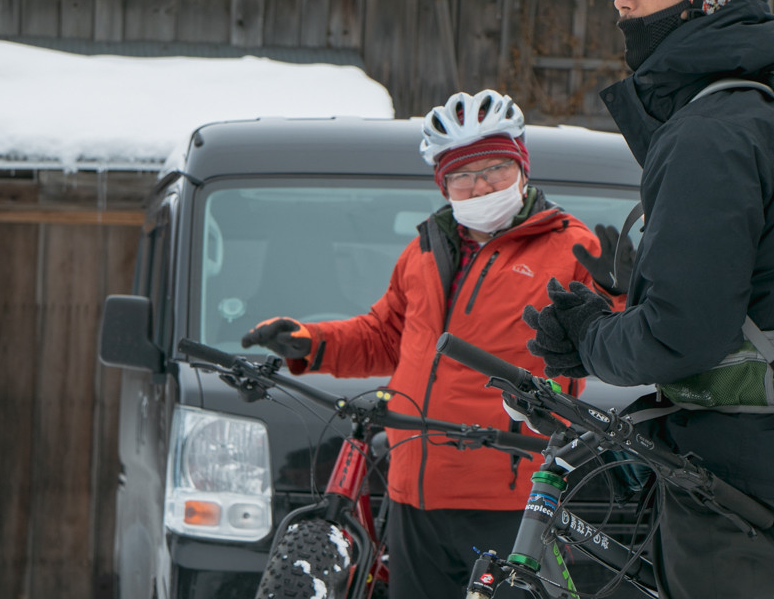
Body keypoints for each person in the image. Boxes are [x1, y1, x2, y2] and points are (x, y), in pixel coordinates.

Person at [522, 0, 774, 598]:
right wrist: (613, 310)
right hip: (765, 468)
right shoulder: (757, 109)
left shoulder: (713, 131)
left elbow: (683, 336)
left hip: (733, 489)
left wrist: (590, 339)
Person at [242, 89, 628, 599]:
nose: (479, 185)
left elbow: (613, 345)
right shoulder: (424, 250)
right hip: (414, 492)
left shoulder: (571, 248)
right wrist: (308, 343)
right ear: (442, 183)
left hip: (509, 495)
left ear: (522, 166)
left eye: (494, 168)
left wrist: (621, 296)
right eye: (462, 175)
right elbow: (384, 338)